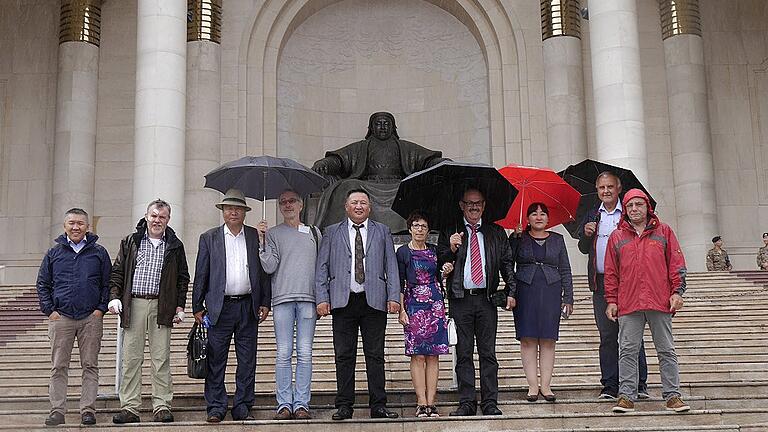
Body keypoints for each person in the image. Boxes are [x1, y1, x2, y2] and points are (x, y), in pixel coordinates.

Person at [315, 188, 401, 420]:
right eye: (355, 202)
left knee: (375, 355)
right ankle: (344, 405)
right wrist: (322, 298)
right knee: (344, 355)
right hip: (343, 302)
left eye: (363, 202)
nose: (359, 206)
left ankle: (379, 405)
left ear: (369, 207)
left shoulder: (382, 231)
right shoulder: (332, 232)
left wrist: (394, 296)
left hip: (374, 301)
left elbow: (390, 265)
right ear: (346, 206)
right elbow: (322, 266)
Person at [604, 188, 690, 414]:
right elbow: (611, 273)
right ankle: (626, 396)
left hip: (659, 301)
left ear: (647, 207)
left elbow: (676, 264)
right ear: (625, 210)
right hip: (628, 303)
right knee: (628, 350)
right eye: (630, 205)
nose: (634, 209)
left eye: (638, 205)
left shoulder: (664, 232)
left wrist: (677, 292)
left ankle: (672, 396)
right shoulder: (617, 237)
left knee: (666, 350)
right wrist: (611, 300)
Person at [192, 188, 271, 423]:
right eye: (229, 208)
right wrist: (197, 305)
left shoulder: (254, 235)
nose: (233, 212)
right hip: (220, 307)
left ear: (245, 212)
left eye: (238, 208)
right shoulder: (209, 238)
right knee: (216, 359)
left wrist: (265, 301)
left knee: (247, 359)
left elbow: (264, 272)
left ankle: (243, 405)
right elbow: (201, 272)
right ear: (223, 211)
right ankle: (216, 406)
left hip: (248, 305)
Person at [109, 199, 189, 424]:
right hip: (134, 304)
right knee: (131, 358)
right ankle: (130, 407)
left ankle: (161, 405)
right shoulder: (131, 241)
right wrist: (114, 297)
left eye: (162, 217)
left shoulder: (175, 245)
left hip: (161, 306)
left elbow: (183, 278)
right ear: (146, 216)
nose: (157, 220)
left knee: (160, 358)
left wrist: (180, 306)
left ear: (168, 220)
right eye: (154, 216)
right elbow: (117, 272)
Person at [437, 188, 515, 416]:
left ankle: (490, 402)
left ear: (484, 205)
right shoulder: (450, 232)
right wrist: (450, 249)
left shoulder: (495, 232)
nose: (474, 207)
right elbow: (440, 262)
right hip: (461, 299)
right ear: (461, 205)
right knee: (463, 353)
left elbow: (507, 263)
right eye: (469, 203)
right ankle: (467, 402)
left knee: (488, 353)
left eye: (478, 203)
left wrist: (511, 291)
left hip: (487, 299)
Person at [577, 171, 649, 400]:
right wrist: (586, 235)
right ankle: (610, 385)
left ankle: (639, 383)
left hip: (629, 284)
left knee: (632, 334)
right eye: (601, 188)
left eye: (610, 187)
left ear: (618, 189)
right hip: (600, 284)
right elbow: (583, 248)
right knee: (607, 336)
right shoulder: (592, 214)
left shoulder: (629, 212)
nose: (605, 191)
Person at [36, 208, 111, 426]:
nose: (76, 227)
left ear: (88, 227)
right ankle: (57, 410)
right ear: (64, 226)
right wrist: (50, 311)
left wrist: (100, 309)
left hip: (91, 318)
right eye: (71, 223)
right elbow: (43, 284)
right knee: (59, 366)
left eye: (80, 223)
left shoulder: (99, 253)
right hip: (62, 318)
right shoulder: (53, 254)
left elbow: (107, 283)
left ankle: (88, 410)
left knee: (90, 365)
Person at [310, 111, 447, 231]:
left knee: (417, 187)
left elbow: (425, 160)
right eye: (378, 124)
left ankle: (412, 227)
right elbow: (340, 160)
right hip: (367, 185)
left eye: (386, 124)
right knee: (348, 186)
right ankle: (343, 229)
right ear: (371, 128)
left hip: (399, 185)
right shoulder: (361, 147)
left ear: (393, 128)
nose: (382, 127)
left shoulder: (405, 147)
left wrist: (439, 163)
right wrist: (324, 164)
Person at [257, 190, 320, 420]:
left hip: (308, 300)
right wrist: (262, 242)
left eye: (291, 201)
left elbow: (321, 267)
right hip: (282, 298)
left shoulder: (314, 232)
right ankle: (284, 404)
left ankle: (301, 403)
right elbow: (269, 266)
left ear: (301, 205)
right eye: (282, 202)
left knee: (305, 352)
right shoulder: (272, 233)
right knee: (283, 353)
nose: (287, 205)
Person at [509, 203, 573, 403]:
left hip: (551, 291)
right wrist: (515, 238)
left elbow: (565, 270)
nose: (538, 217)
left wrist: (568, 298)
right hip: (525, 291)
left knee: (548, 339)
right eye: (533, 214)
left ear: (548, 218)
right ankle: (532, 385)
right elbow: (508, 263)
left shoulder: (558, 240)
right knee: (527, 339)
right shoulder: (518, 238)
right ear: (527, 218)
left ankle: (546, 385)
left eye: (542, 213)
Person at [396, 211, 451, 418]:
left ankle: (432, 402)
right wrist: (401, 309)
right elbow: (400, 281)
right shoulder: (402, 252)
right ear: (410, 228)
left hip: (434, 304)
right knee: (417, 355)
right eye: (416, 226)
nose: (420, 229)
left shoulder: (435, 251)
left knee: (433, 354)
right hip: (413, 304)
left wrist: (446, 269)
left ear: (428, 231)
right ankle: (421, 402)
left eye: (424, 226)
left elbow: (441, 272)